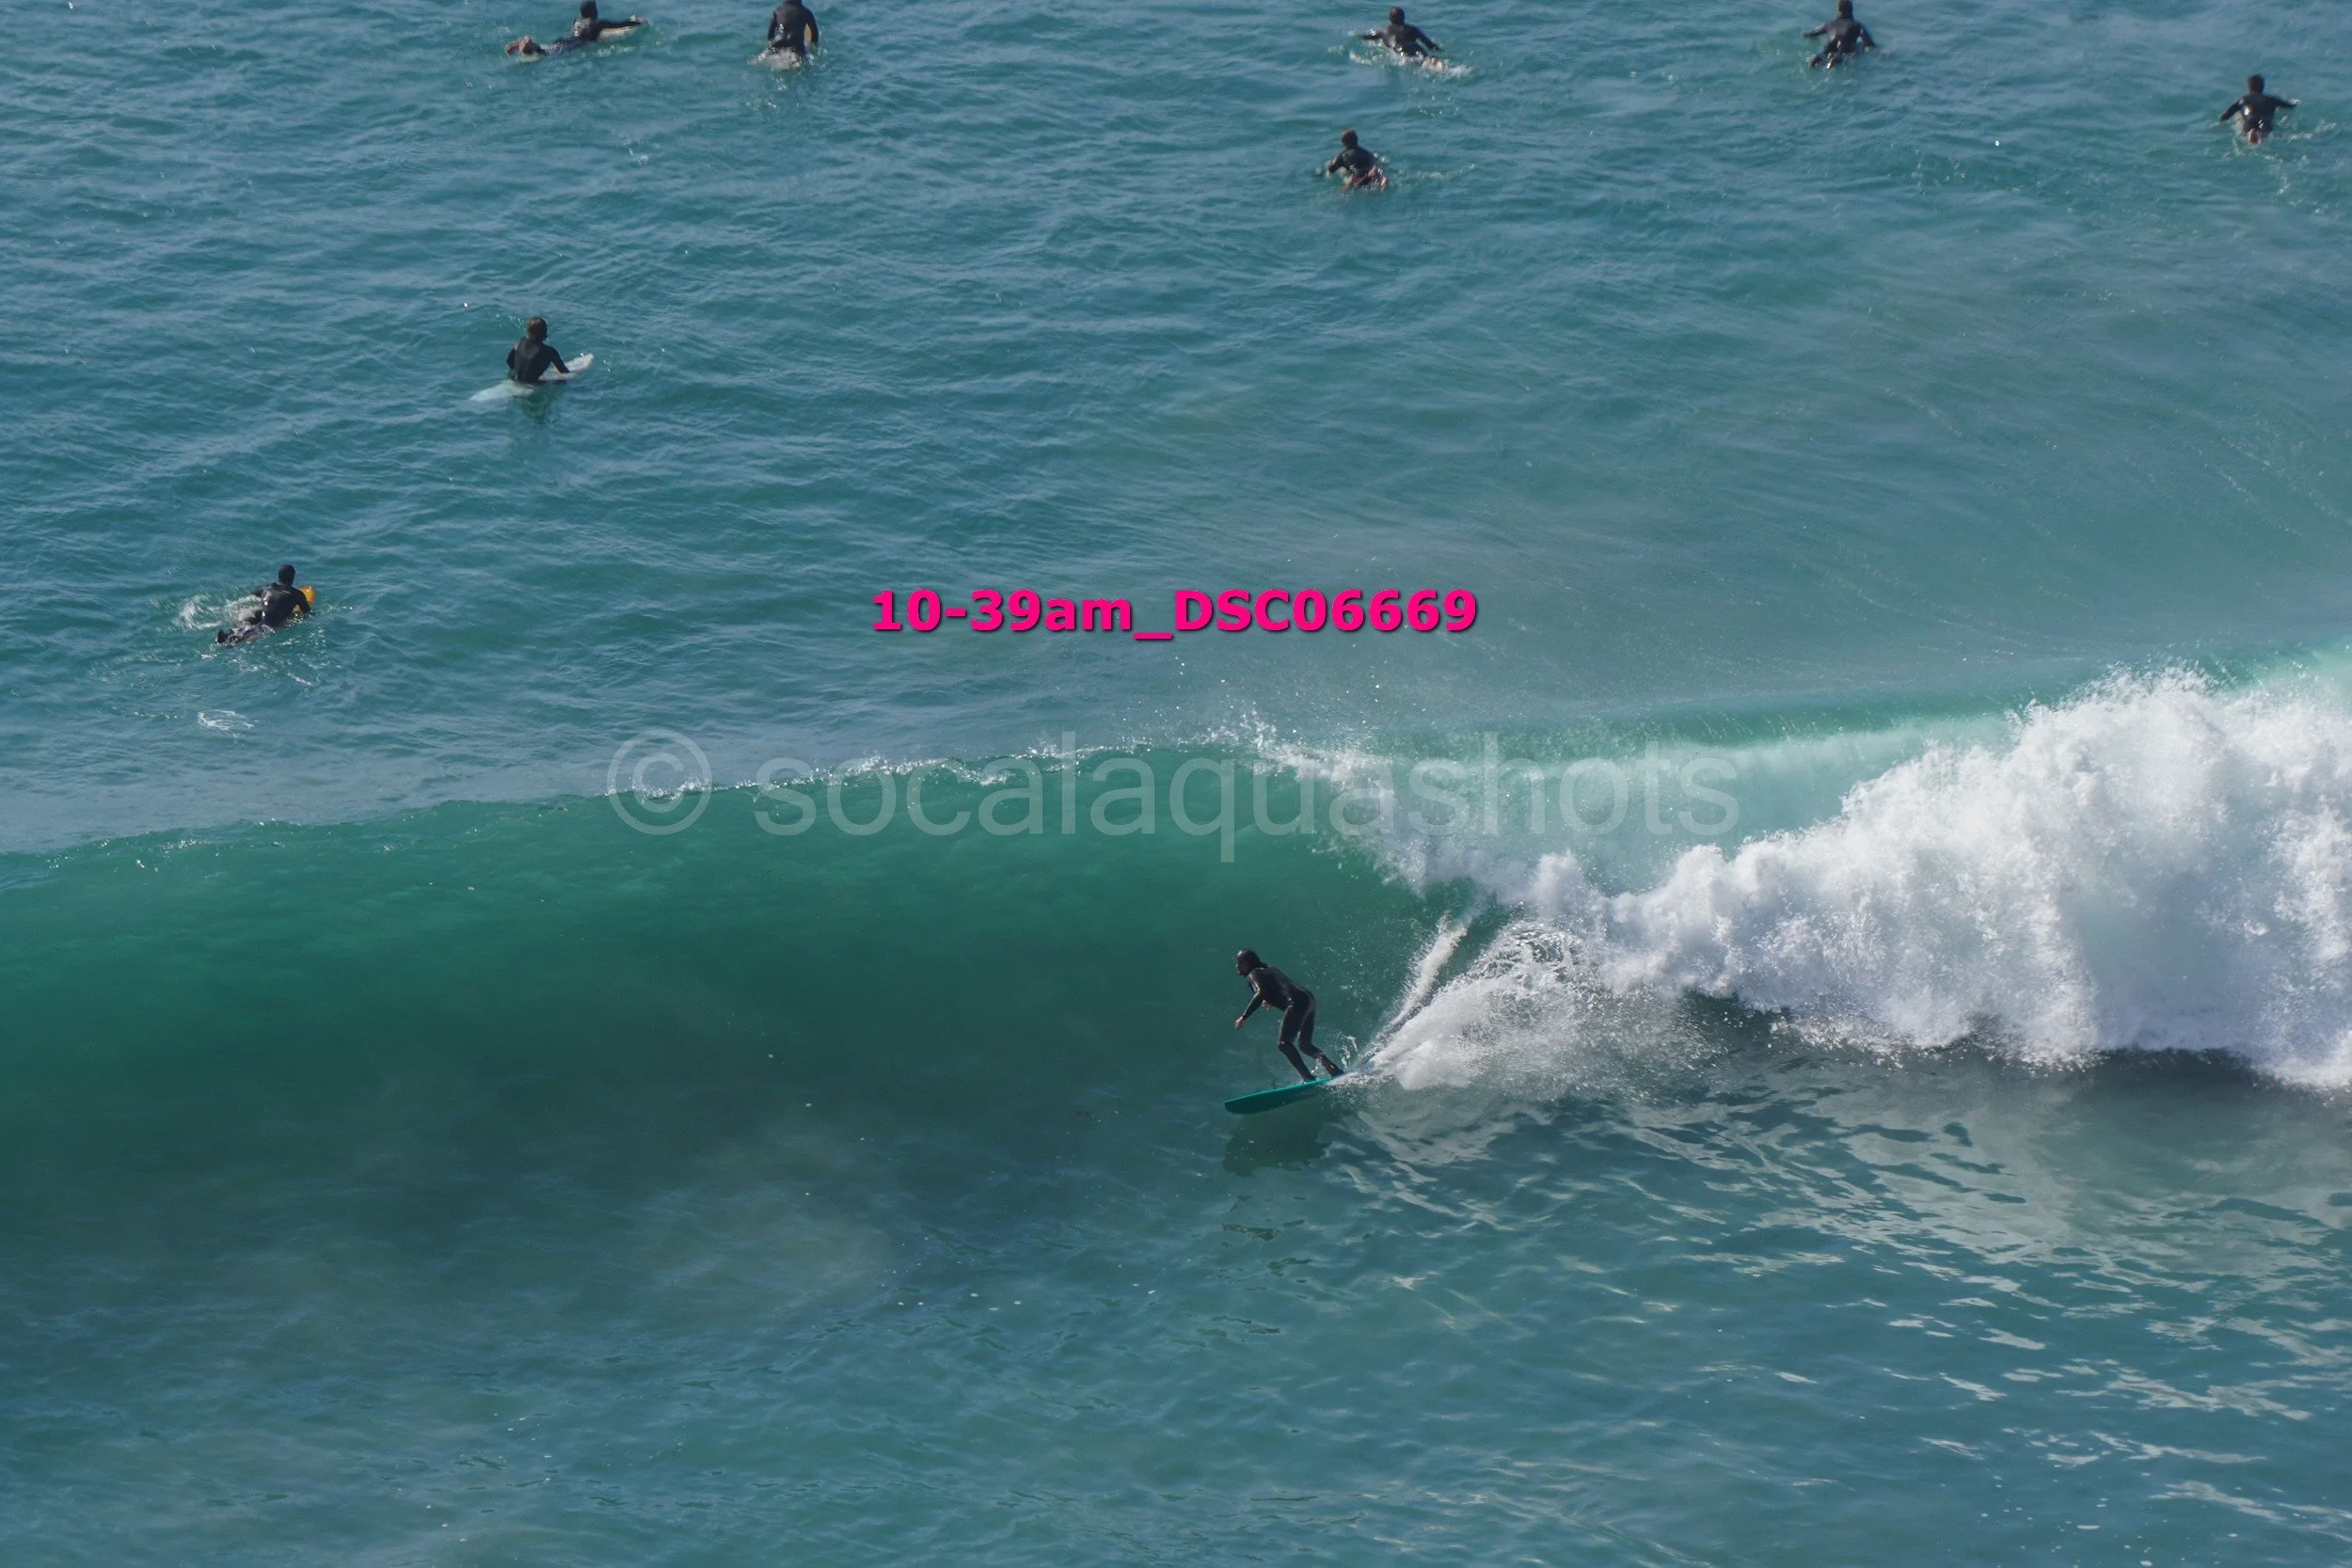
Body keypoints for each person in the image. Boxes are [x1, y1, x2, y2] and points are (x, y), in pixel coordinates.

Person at [1233, 950, 1345, 1083]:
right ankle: (1334, 1070)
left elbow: (1261, 992)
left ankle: (1308, 1078)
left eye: (1241, 963)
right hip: (1308, 998)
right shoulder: (1269, 968)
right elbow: (1277, 986)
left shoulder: (1253, 974)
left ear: (1249, 963)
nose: (1237, 966)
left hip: (1296, 1003)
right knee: (1305, 1045)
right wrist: (1269, 1000)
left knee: (1284, 1044)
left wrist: (1244, 1017)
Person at [506, 2, 644, 58]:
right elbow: (618, 24)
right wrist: (636, 22)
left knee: (547, 48)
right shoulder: (597, 23)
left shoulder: (576, 21)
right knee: (547, 55)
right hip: (573, 45)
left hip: (564, 40)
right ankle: (529, 46)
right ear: (593, 11)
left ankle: (529, 44)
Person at [215, 565, 312, 644]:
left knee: (251, 625)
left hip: (261, 613)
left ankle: (228, 634)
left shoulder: (268, 588)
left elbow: (253, 594)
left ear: (278, 577)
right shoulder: (296, 594)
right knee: (258, 630)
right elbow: (307, 612)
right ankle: (232, 643)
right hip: (272, 623)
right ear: (292, 578)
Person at [2219, 75, 2297, 144]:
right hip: (2265, 120)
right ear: (2262, 87)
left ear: (2248, 87)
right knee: (2264, 136)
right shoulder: (2271, 99)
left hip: (2250, 119)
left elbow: (2225, 116)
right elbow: (2290, 106)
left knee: (2245, 127)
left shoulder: (2242, 100)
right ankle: (2259, 138)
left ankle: (2251, 133)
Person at [1804, 0, 1874, 69]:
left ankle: (1816, 58)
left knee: (1824, 54)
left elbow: (1813, 33)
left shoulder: (1829, 24)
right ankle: (1834, 60)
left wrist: (1804, 34)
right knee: (1856, 48)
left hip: (1830, 43)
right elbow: (1868, 43)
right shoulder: (1857, 25)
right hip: (1845, 46)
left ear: (1838, 11)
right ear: (1851, 11)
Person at [506, 317, 570, 385]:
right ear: (545, 333)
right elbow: (564, 372)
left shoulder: (518, 343)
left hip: (516, 380)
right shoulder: (549, 351)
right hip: (533, 385)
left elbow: (509, 362)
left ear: (528, 331)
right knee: (565, 380)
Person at [1359, 7, 1439, 59]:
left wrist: (1356, 35)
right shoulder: (1413, 29)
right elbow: (1430, 45)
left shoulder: (1383, 31)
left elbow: (1367, 37)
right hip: (1416, 47)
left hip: (1401, 49)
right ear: (1404, 18)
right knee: (1428, 60)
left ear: (1390, 19)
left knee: (1419, 64)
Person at [1323, 129, 1388, 191]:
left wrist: (1320, 175)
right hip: (1371, 176)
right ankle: (1379, 178)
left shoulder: (1342, 155)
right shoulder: (1368, 153)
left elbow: (1330, 170)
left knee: (1343, 189)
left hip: (1358, 179)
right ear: (1357, 139)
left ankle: (1369, 176)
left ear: (1343, 143)